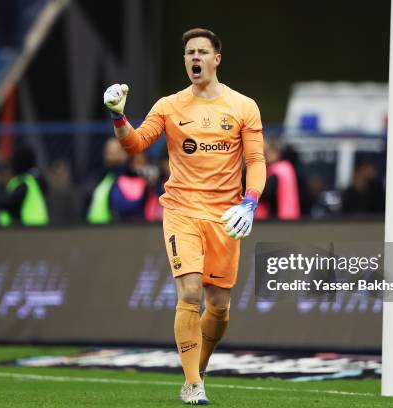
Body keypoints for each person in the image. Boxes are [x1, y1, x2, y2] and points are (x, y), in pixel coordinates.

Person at [103, 28, 266, 405]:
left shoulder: (244, 106)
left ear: (216, 59)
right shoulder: (170, 106)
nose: (195, 58)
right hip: (181, 210)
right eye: (189, 52)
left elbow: (256, 161)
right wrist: (118, 117)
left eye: (202, 52)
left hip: (226, 215)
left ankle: (199, 368)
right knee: (190, 290)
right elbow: (136, 144)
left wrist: (250, 202)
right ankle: (193, 384)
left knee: (220, 307)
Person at [0, 145, 49, 227]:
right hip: (37, 228)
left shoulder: (24, 183)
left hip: (26, 230)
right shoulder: (35, 180)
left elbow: (9, 203)